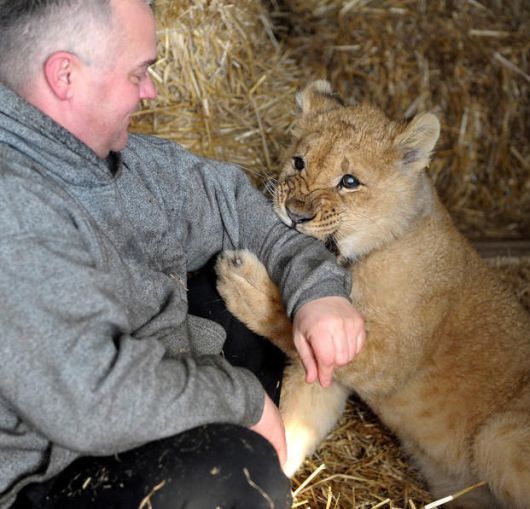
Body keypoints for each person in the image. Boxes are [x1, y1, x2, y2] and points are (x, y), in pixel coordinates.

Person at [0, 0, 366, 508]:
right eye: (139, 73)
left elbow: (242, 211)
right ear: (65, 76)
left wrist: (318, 293)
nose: (151, 91)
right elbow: (93, 399)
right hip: (47, 478)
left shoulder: (117, 161)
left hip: (128, 411)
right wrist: (241, 400)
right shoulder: (13, 208)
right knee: (228, 475)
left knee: (243, 286)